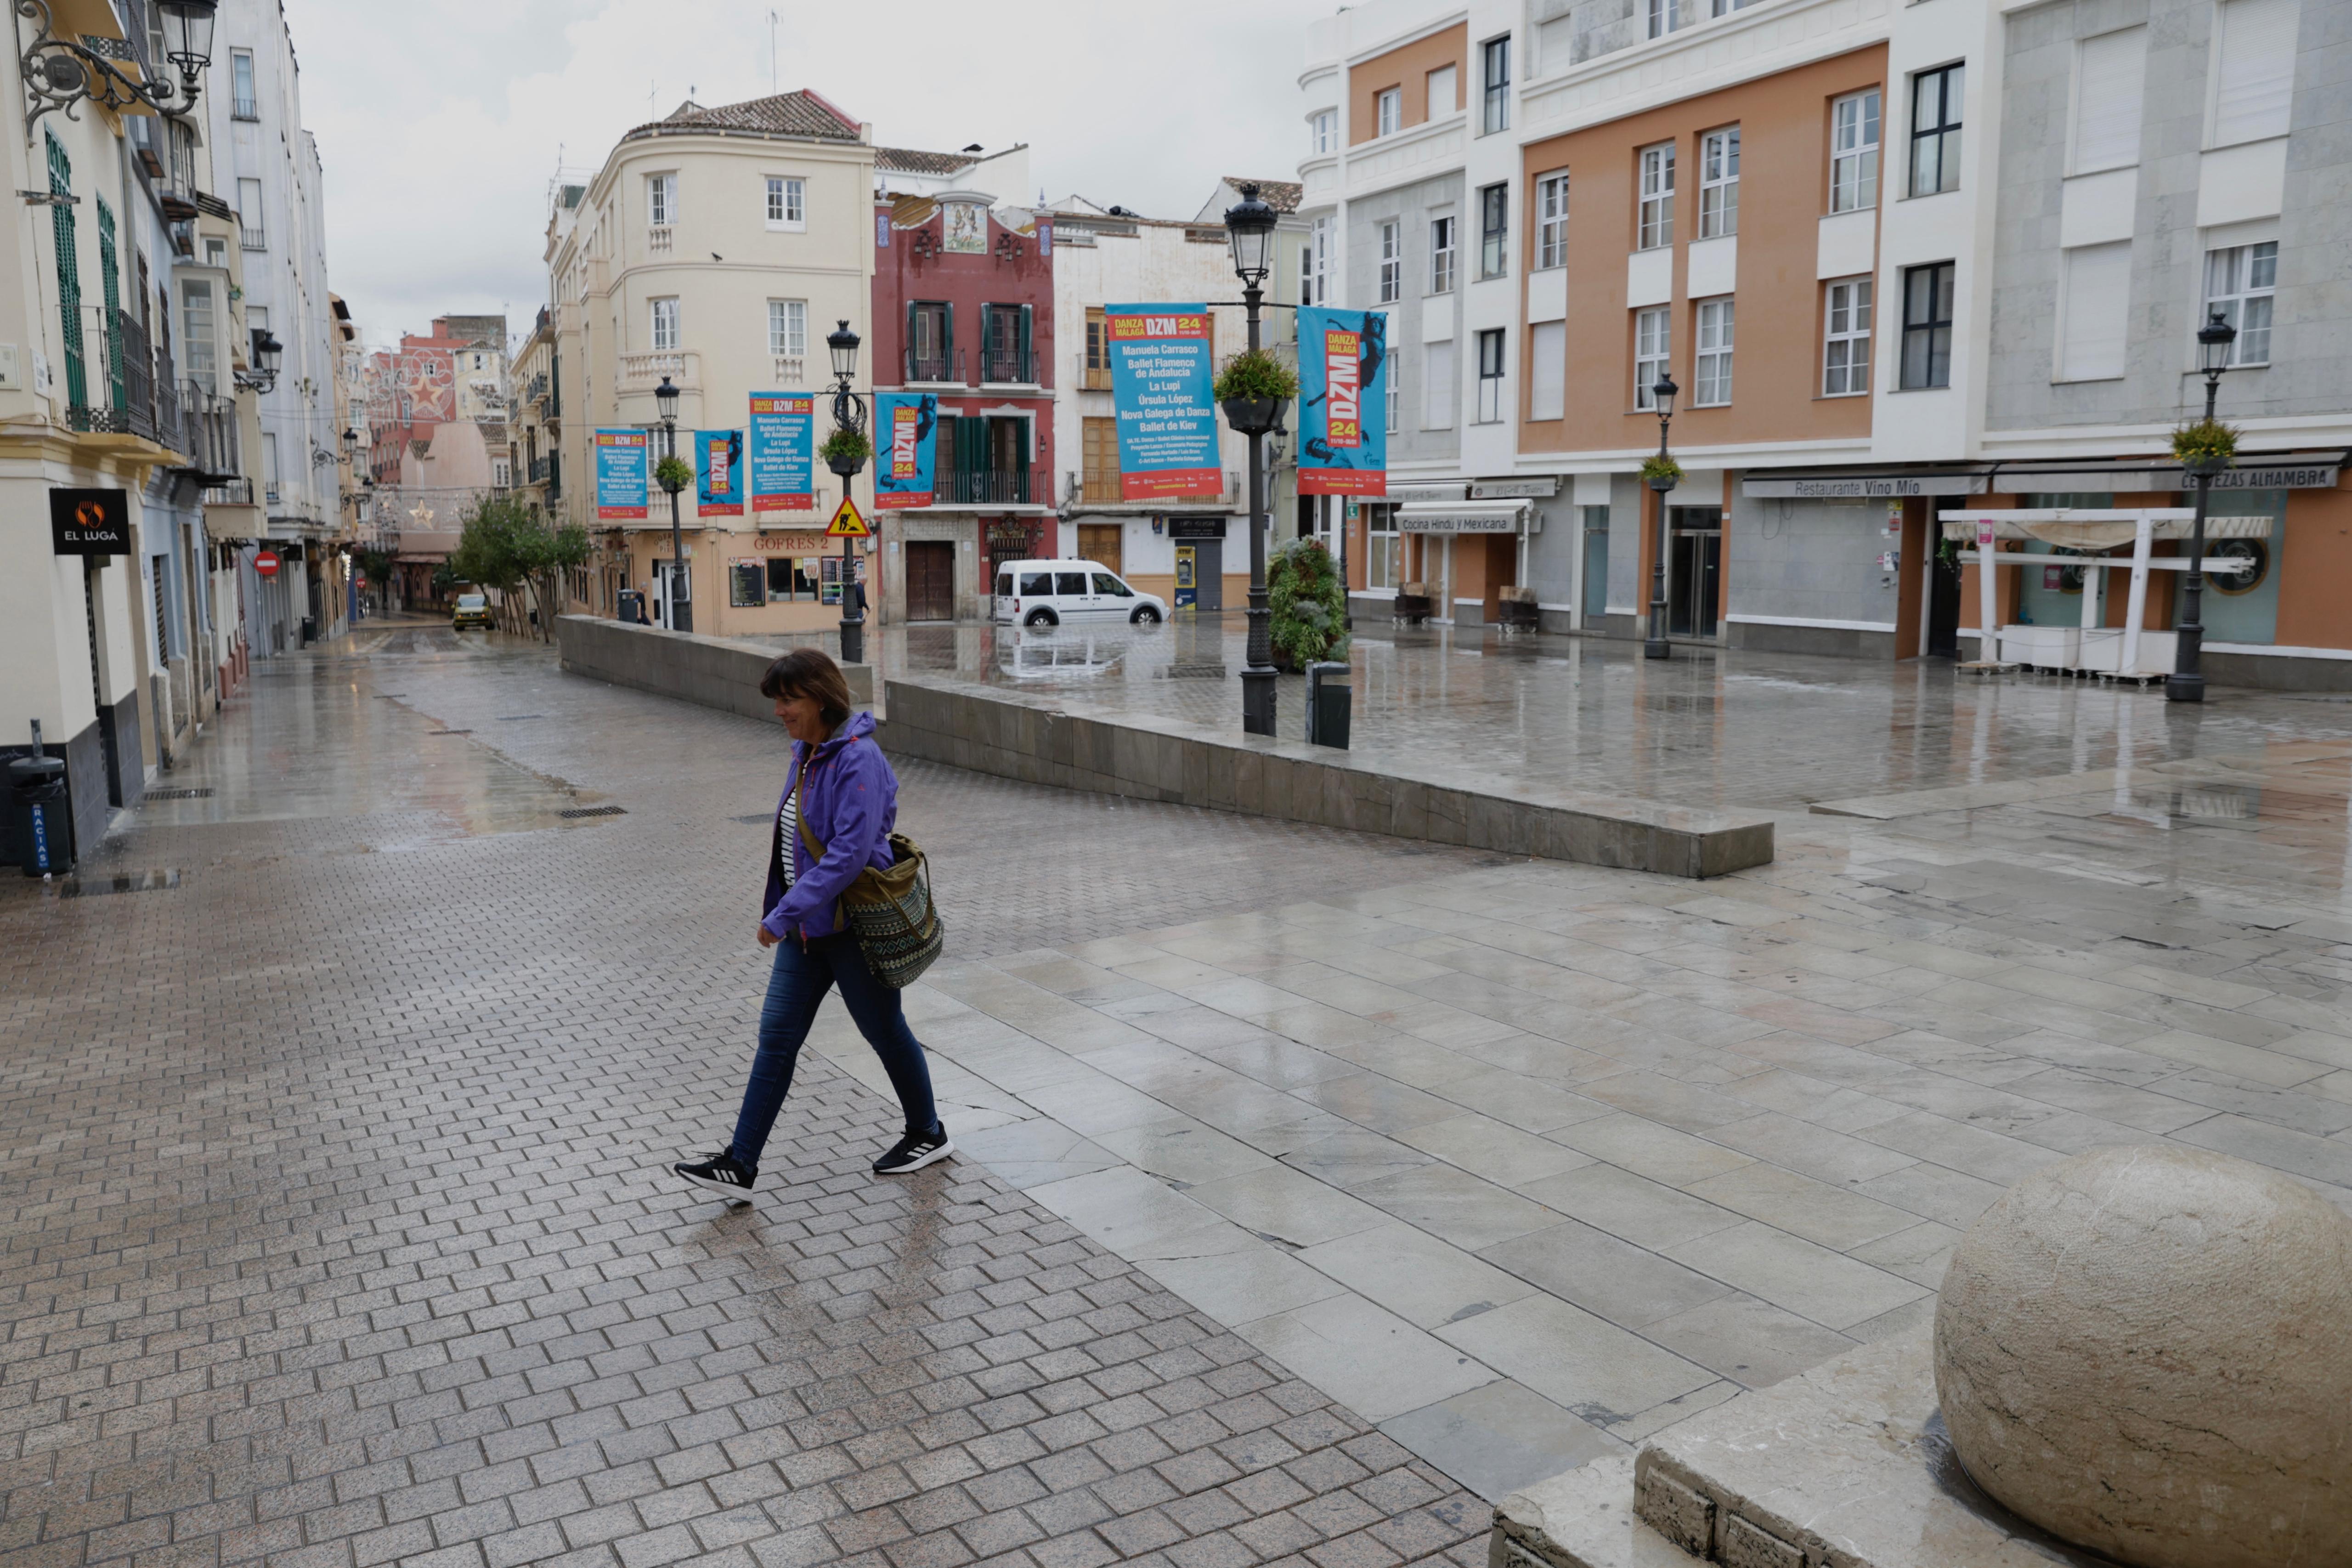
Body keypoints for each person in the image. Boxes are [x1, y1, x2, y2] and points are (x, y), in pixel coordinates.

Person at [673, 649, 952, 1200]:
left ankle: (927, 1131)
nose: (778, 711)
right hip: (807, 933)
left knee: (883, 1030)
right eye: (776, 700)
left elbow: (847, 854)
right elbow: (793, 843)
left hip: (851, 929)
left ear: (820, 699)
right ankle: (740, 1163)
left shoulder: (857, 760)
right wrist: (788, 914)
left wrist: (781, 914)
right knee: (776, 1038)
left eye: (788, 699)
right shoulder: (808, 751)